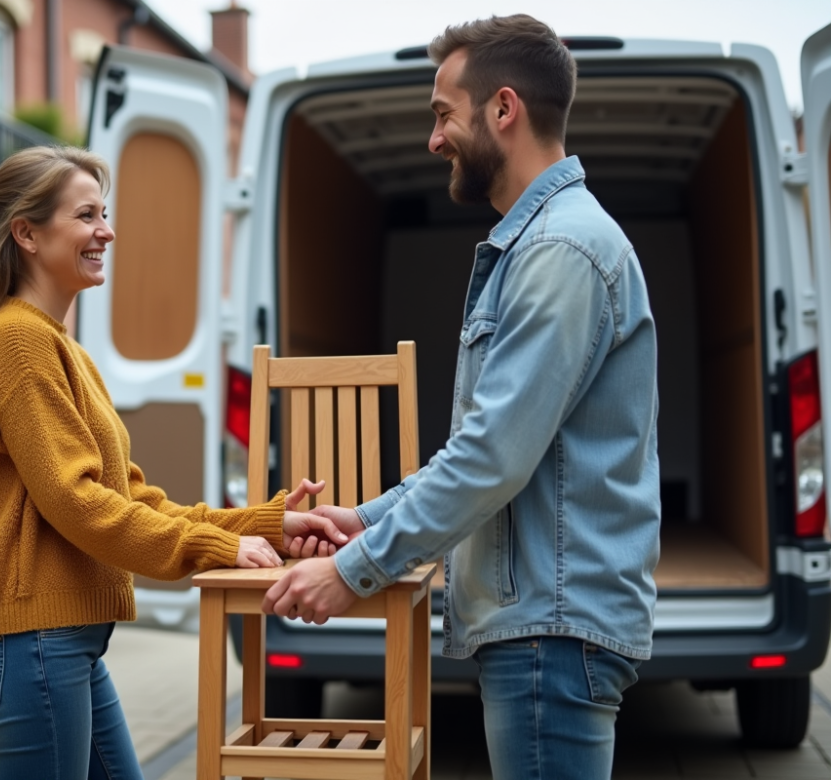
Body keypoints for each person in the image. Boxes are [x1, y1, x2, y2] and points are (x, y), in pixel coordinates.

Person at [261, 15, 660, 780]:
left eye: (444, 114)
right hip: (543, 625)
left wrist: (352, 570)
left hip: (552, 630)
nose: (435, 139)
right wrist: (363, 520)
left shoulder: (562, 250)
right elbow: (484, 445)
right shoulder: (544, 243)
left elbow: (490, 457)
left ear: (503, 109)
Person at [0, 145, 348, 780]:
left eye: (105, 213)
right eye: (87, 215)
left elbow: (129, 498)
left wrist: (263, 527)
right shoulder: (18, 342)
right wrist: (215, 548)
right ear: (27, 234)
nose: (107, 230)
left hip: (57, 645)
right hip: (30, 648)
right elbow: (77, 501)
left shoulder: (58, 346)